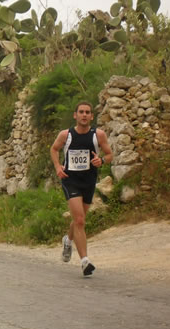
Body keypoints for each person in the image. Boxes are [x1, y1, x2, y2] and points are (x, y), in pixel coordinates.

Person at [50, 101, 113, 277]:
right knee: (79, 220)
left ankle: (68, 240)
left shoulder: (98, 135)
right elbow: (54, 149)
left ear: (92, 116)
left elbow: (109, 154)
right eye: (81, 112)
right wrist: (57, 167)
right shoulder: (66, 135)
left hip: (89, 181)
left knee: (80, 219)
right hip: (70, 180)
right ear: (75, 115)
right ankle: (85, 261)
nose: (84, 115)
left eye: (87, 112)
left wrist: (102, 161)